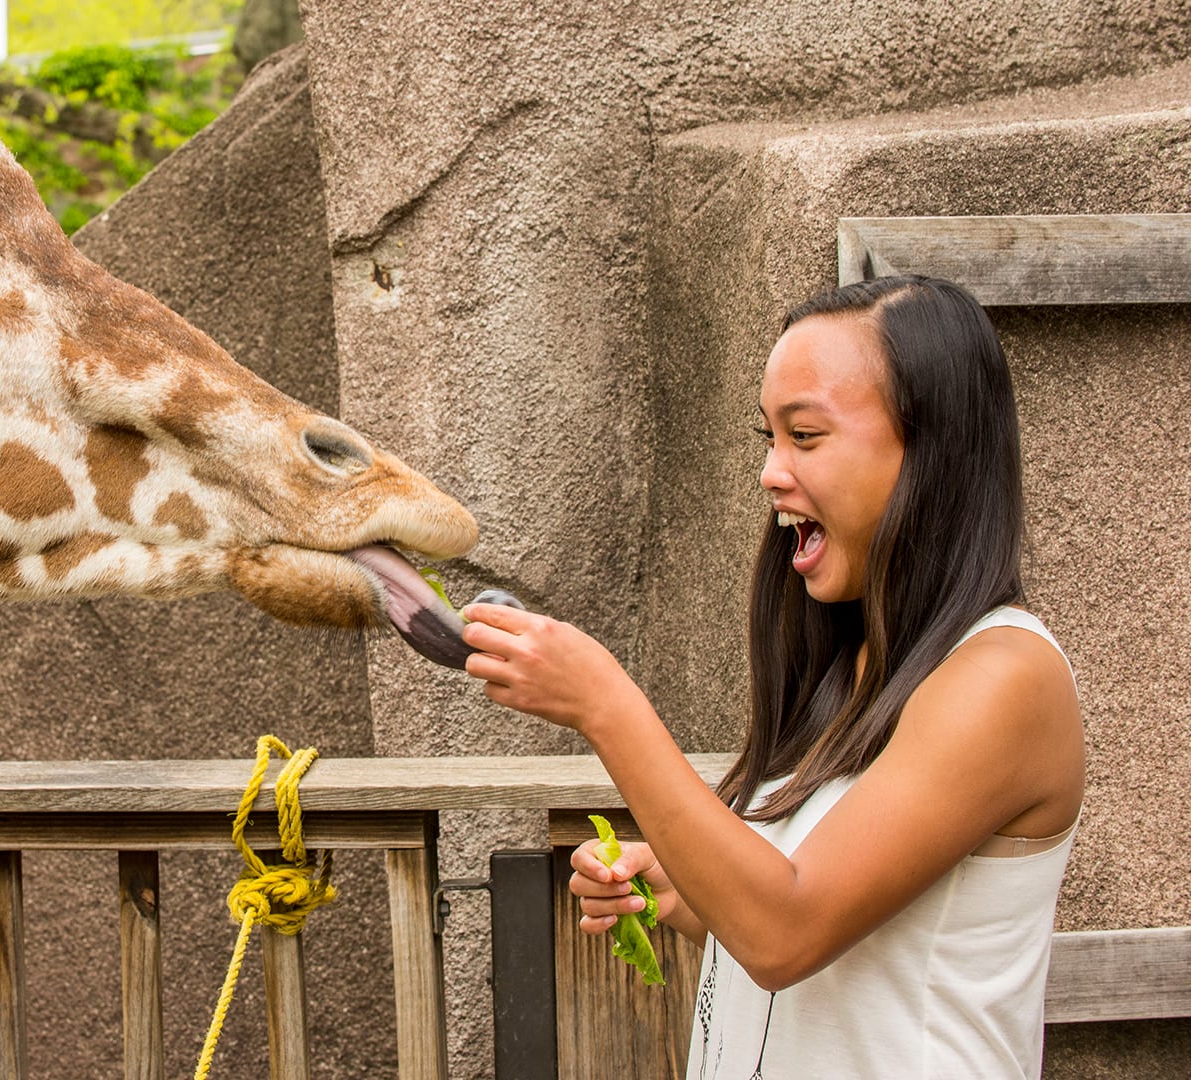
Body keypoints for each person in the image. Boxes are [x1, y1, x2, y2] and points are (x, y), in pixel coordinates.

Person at [461, 275, 1083, 1078]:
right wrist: (682, 887)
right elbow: (795, 908)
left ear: (932, 450)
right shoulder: (851, 663)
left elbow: (785, 931)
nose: (771, 473)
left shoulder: (1005, 677)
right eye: (768, 438)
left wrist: (605, 705)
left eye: (807, 436)